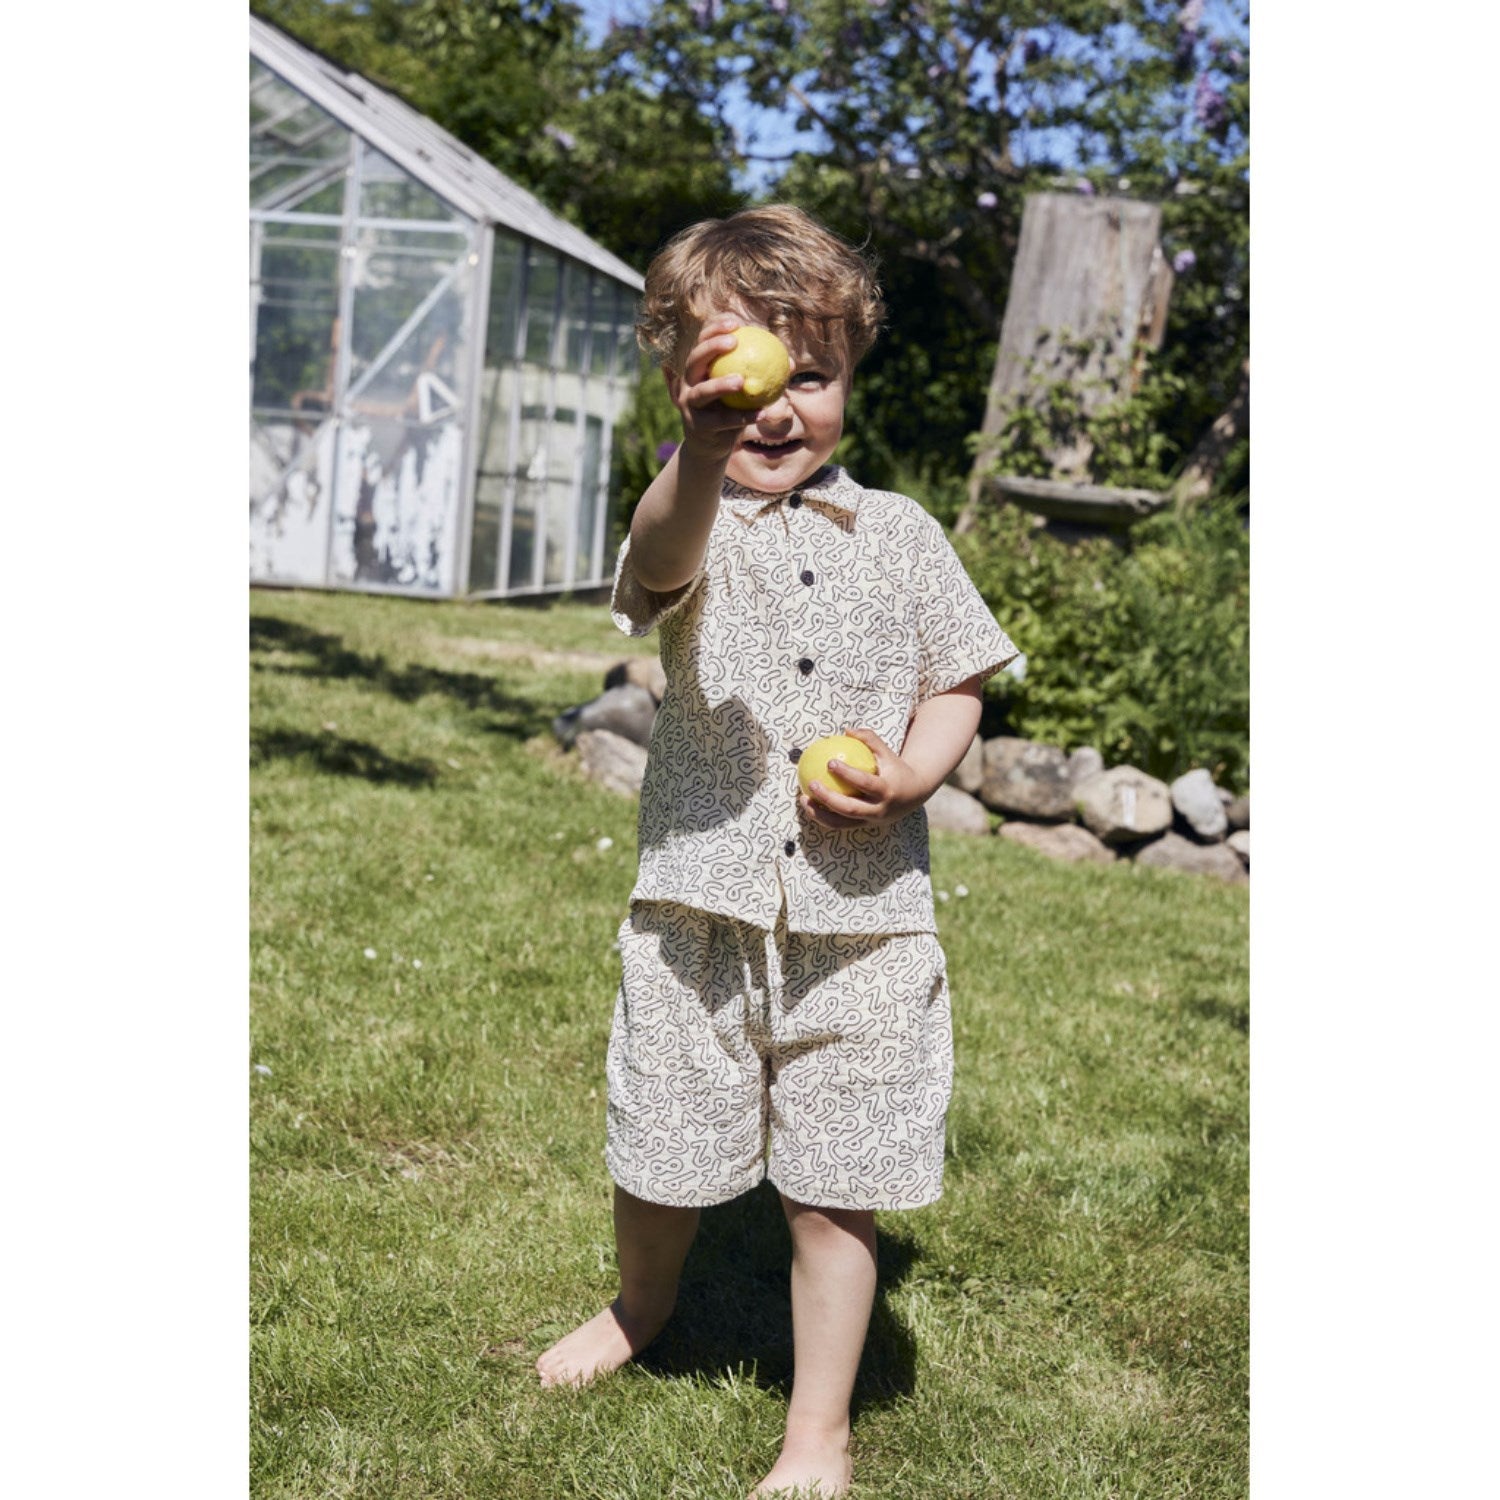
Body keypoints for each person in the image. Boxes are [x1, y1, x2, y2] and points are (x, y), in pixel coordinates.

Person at [535, 204, 1019, 1498]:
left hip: (865, 926)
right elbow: (657, 560)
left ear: (850, 377)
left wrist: (914, 772)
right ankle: (642, 1306)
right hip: (698, 910)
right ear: (685, 382)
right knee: (662, 1142)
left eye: (812, 374)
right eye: (746, 375)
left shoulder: (903, 534)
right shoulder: (689, 515)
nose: (778, 405)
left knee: (834, 1187)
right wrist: (695, 455)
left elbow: (959, 677)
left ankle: (819, 1433)